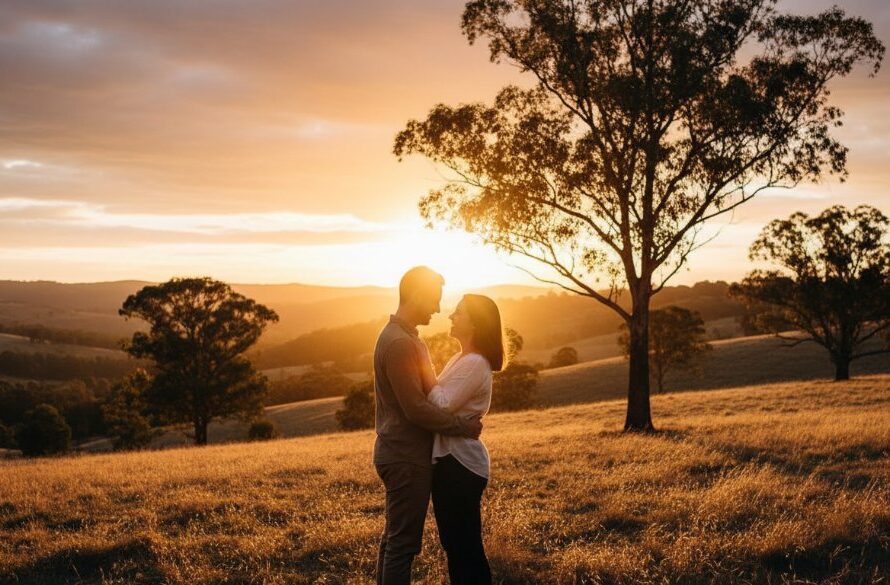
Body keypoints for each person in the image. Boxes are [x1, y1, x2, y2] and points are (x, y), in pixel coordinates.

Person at [373, 266, 483, 585]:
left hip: (401, 453)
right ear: (417, 294)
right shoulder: (400, 343)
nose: (437, 308)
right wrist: (461, 426)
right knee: (403, 546)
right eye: (433, 300)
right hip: (406, 456)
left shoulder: (404, 338)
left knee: (394, 540)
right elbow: (415, 409)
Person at [419, 294, 500, 585]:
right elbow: (439, 400)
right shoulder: (459, 358)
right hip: (451, 462)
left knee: (464, 547)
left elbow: (440, 404)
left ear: (476, 324)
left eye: (459, 313)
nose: (452, 316)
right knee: (455, 546)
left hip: (461, 465)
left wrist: (423, 370)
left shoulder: (476, 363)